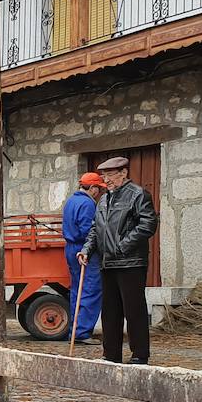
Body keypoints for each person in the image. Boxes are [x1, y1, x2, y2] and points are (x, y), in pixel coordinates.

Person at [78, 156, 159, 365]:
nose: (107, 180)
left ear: (123, 173)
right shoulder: (104, 199)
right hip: (107, 262)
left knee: (134, 311)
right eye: (104, 176)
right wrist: (87, 249)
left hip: (130, 262)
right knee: (110, 312)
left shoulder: (138, 194)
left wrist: (122, 246)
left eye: (110, 175)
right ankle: (110, 354)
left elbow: (148, 224)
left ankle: (140, 354)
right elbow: (96, 229)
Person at [61, 172, 106, 345]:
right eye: (99, 189)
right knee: (90, 289)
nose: (99, 193)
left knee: (76, 290)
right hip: (84, 249)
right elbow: (88, 231)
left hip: (71, 248)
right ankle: (82, 332)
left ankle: (74, 329)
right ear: (93, 188)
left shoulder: (71, 201)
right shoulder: (87, 204)